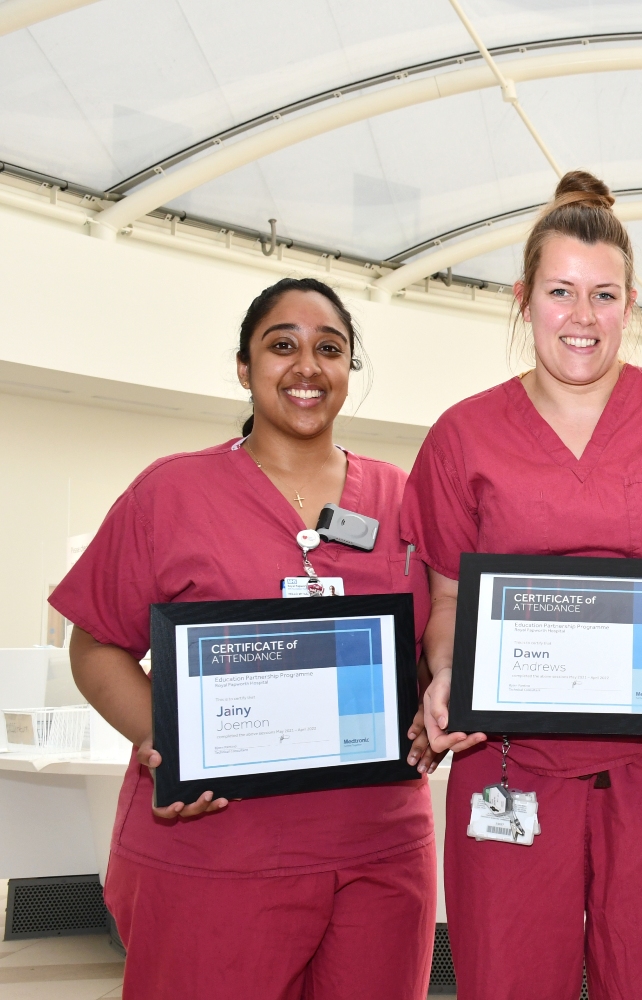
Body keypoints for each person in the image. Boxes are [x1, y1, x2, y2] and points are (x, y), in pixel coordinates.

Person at [404, 170, 642, 1000]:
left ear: (631, 302)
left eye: (604, 295)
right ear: (523, 297)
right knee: (506, 983)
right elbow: (449, 601)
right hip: (510, 766)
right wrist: (445, 676)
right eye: (561, 292)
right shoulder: (462, 436)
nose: (582, 318)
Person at [49, 277, 439, 999]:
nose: (306, 367)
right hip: (212, 839)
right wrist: (163, 745)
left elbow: (430, 638)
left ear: (349, 371)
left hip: (377, 850)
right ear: (243, 366)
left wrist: (435, 699)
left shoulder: (403, 499)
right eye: (281, 345)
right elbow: (95, 643)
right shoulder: (169, 494)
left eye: (329, 348)